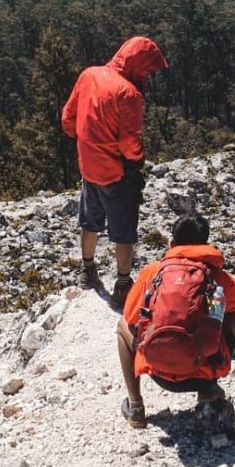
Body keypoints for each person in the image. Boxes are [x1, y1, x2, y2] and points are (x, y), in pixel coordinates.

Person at [116, 213, 235, 430]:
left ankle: (136, 406)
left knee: (122, 325)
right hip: (201, 372)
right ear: (206, 245)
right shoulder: (214, 276)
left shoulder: (154, 272)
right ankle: (209, 387)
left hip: (157, 369)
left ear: (172, 244)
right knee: (233, 312)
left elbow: (132, 317)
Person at [61, 35, 168, 307]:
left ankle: (87, 271)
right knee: (124, 230)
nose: (149, 75)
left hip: (88, 166)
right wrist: (138, 160)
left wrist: (89, 141)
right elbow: (128, 142)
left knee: (90, 220)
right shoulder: (129, 94)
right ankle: (122, 285)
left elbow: (68, 119)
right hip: (115, 172)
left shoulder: (89, 75)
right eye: (149, 69)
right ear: (138, 64)